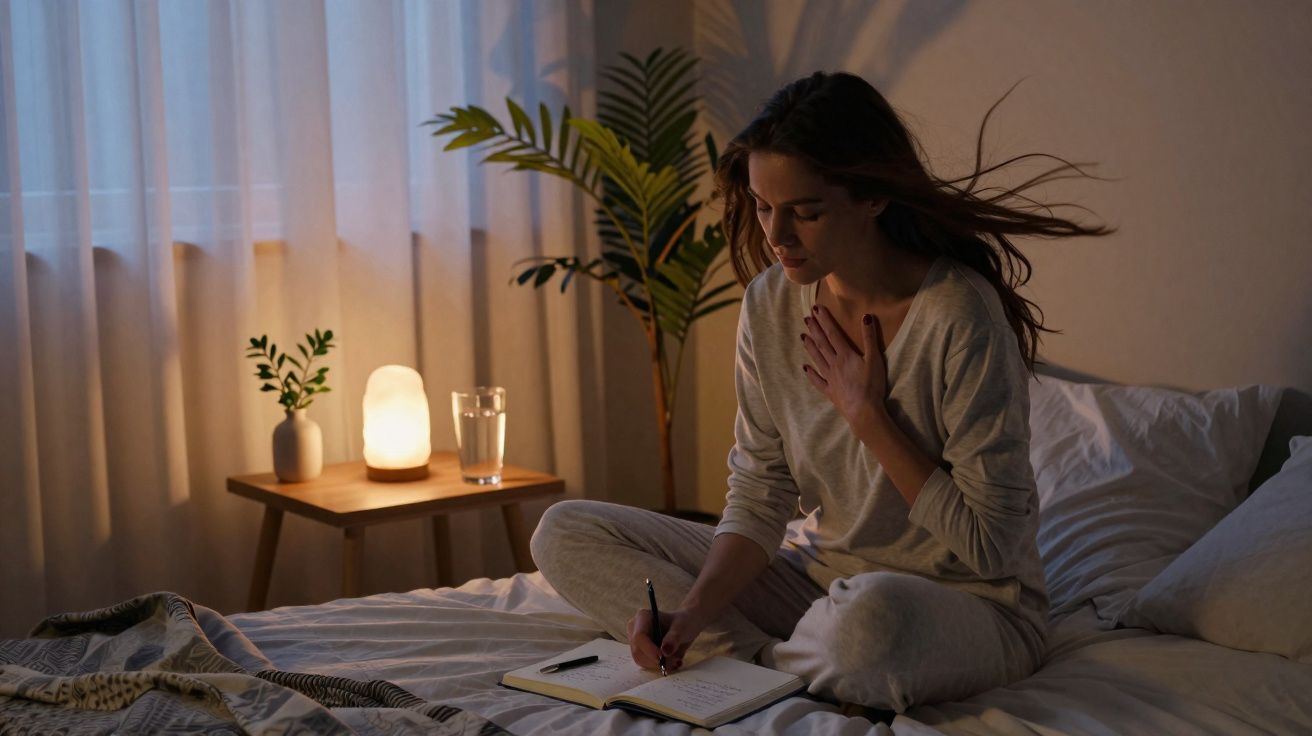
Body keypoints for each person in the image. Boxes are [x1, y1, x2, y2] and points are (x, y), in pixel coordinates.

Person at [531, 71, 1113, 714]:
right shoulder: (771, 304)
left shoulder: (959, 316)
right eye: (761, 205)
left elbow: (990, 546)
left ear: (872, 198)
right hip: (819, 582)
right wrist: (690, 613)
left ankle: (765, 665)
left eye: (805, 212)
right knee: (565, 530)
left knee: (869, 625)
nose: (777, 236)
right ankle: (756, 663)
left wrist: (869, 415)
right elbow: (759, 492)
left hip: (971, 606)